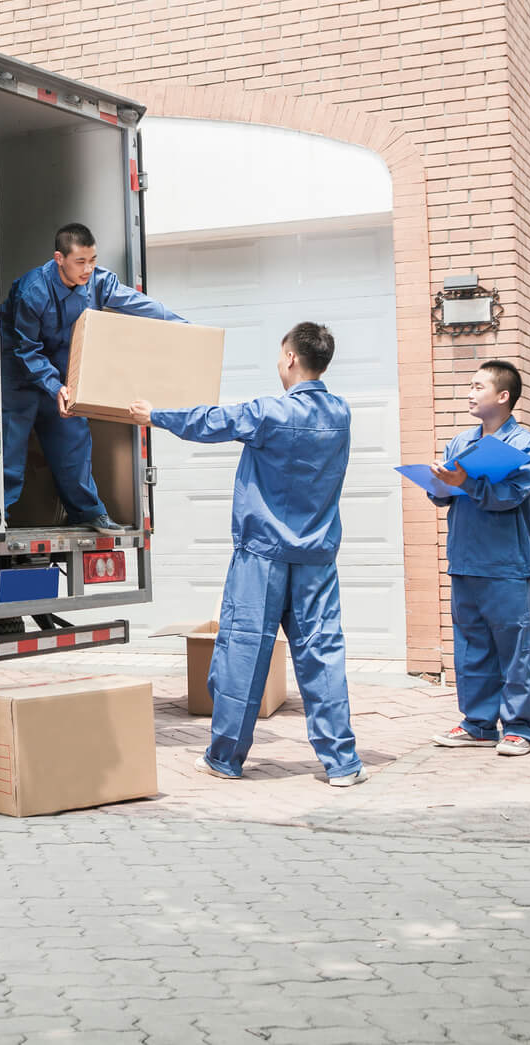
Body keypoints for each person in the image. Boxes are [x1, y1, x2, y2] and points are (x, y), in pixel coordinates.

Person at [126, 323, 365, 787]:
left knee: (244, 656)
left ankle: (225, 758)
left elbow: (212, 422)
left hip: (263, 557)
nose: (279, 362)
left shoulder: (269, 412)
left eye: (281, 355)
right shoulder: (341, 413)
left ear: (292, 358)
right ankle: (343, 763)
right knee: (322, 656)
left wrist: (155, 415)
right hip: (316, 557)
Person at [1, 222, 182, 533]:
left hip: (60, 367)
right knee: (11, 442)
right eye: (80, 262)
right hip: (19, 369)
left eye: (93, 260)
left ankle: (87, 513)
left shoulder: (99, 282)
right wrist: (54, 386)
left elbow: (140, 305)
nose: (88, 269)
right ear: (60, 258)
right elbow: (26, 348)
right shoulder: (34, 291)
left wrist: (183, 326)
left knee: (73, 436)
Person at [425, 362, 530, 756]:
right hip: (464, 560)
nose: (469, 393)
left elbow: (512, 497)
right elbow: (441, 497)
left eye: (478, 386)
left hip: (506, 563)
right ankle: (478, 724)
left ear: (503, 396)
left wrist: (468, 483)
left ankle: (519, 727)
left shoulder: (527, 447)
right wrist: (439, 483)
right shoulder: (460, 443)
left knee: (513, 648)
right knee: (472, 646)